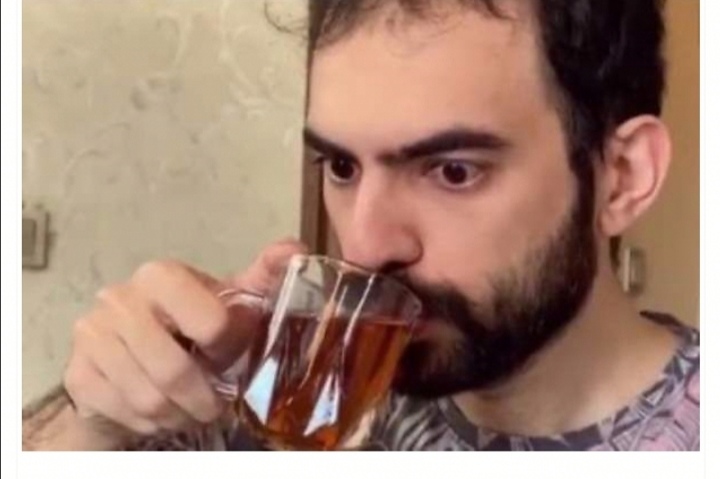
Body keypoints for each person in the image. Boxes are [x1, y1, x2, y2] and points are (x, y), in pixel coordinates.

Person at [22, 0, 699, 451]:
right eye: (342, 166)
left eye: (453, 171)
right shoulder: (292, 404)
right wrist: (94, 419)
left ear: (622, 176)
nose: (366, 246)